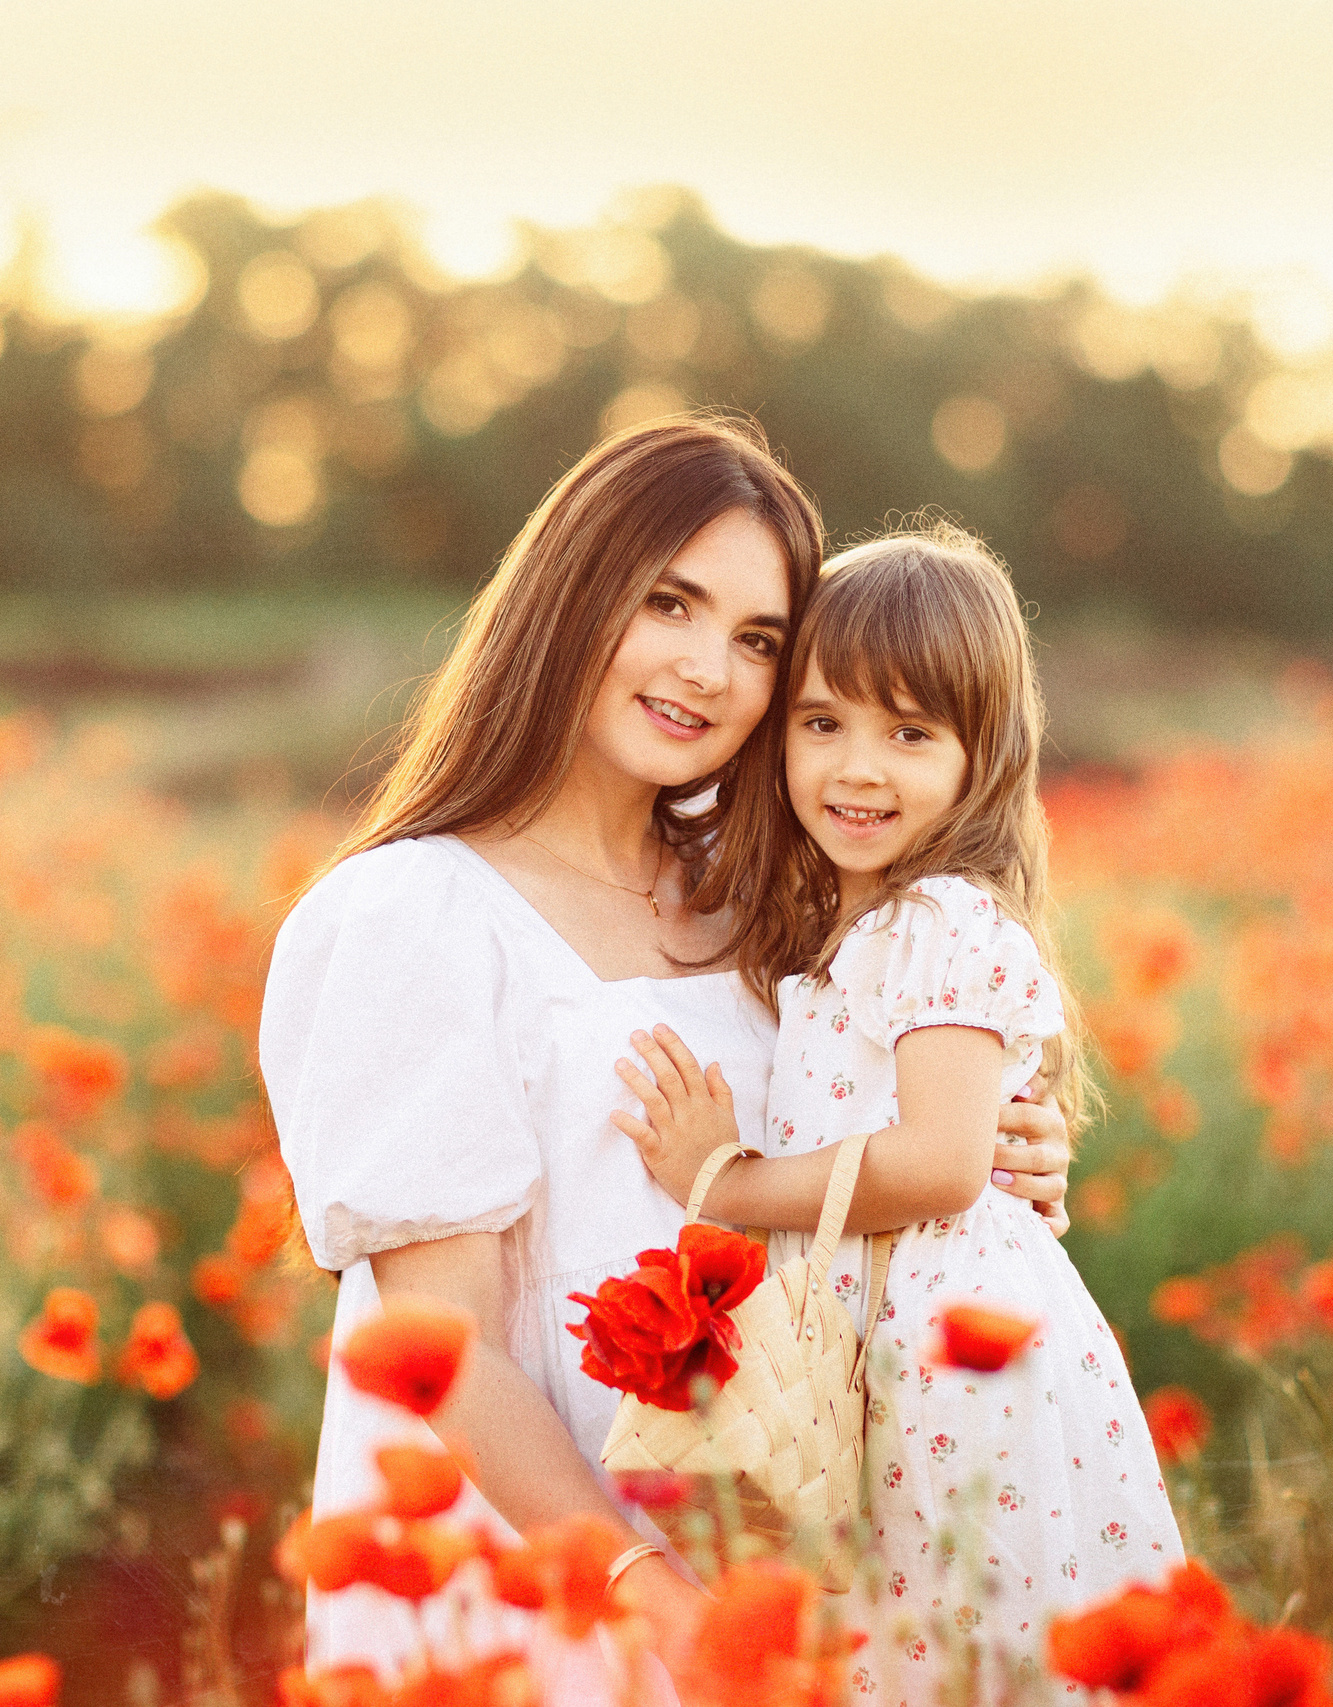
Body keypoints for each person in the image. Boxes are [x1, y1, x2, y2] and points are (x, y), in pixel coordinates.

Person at [257, 419, 1076, 1683]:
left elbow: (882, 1140)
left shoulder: (767, 899)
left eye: (758, 641)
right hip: (544, 1581)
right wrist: (655, 1608)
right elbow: (446, 1348)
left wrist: (1000, 1146)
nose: (708, 669)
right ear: (570, 595)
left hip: (774, 1543)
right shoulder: (411, 915)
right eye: (669, 603)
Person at [613, 521, 1184, 1701]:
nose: (857, 769)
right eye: (821, 724)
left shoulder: (938, 920)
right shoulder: (860, 923)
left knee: (958, 1642)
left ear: (983, 755)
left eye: (909, 734)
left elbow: (939, 1164)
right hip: (893, 1347)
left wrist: (723, 1181)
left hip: (941, 1364)